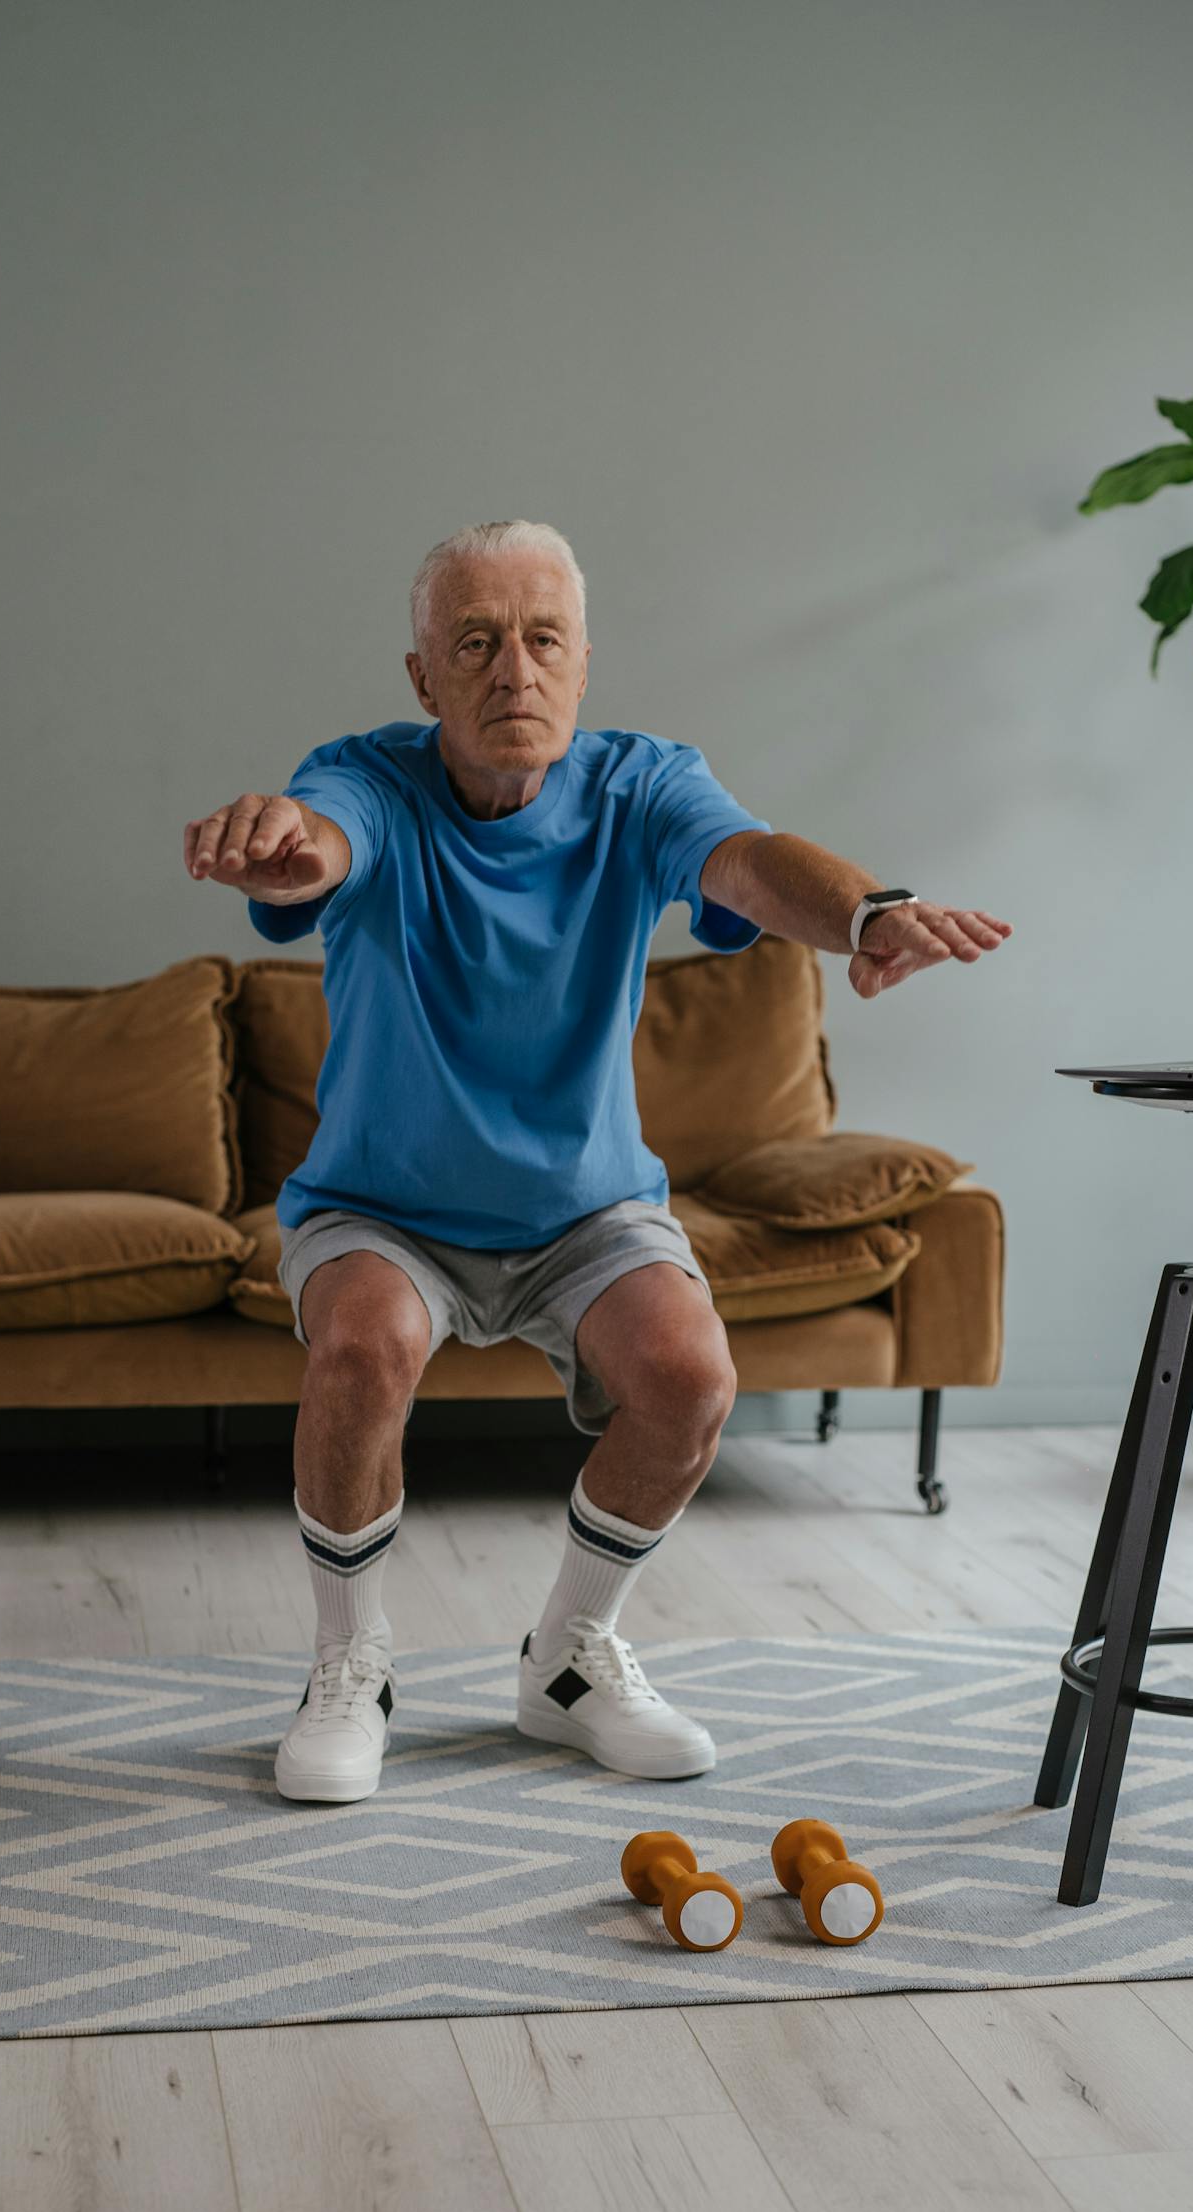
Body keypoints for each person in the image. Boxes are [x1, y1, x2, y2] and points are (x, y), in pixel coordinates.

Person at [183, 518, 1011, 1803]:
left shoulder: (641, 783)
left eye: (542, 640)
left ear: (580, 665)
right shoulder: (368, 779)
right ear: (424, 681)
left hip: (586, 1210)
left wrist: (867, 910)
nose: (513, 670)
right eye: (475, 642)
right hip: (381, 1209)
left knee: (688, 1378)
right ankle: (350, 1669)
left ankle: (567, 1661)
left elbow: (746, 859)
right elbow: (322, 839)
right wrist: (288, 847)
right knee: (362, 1346)